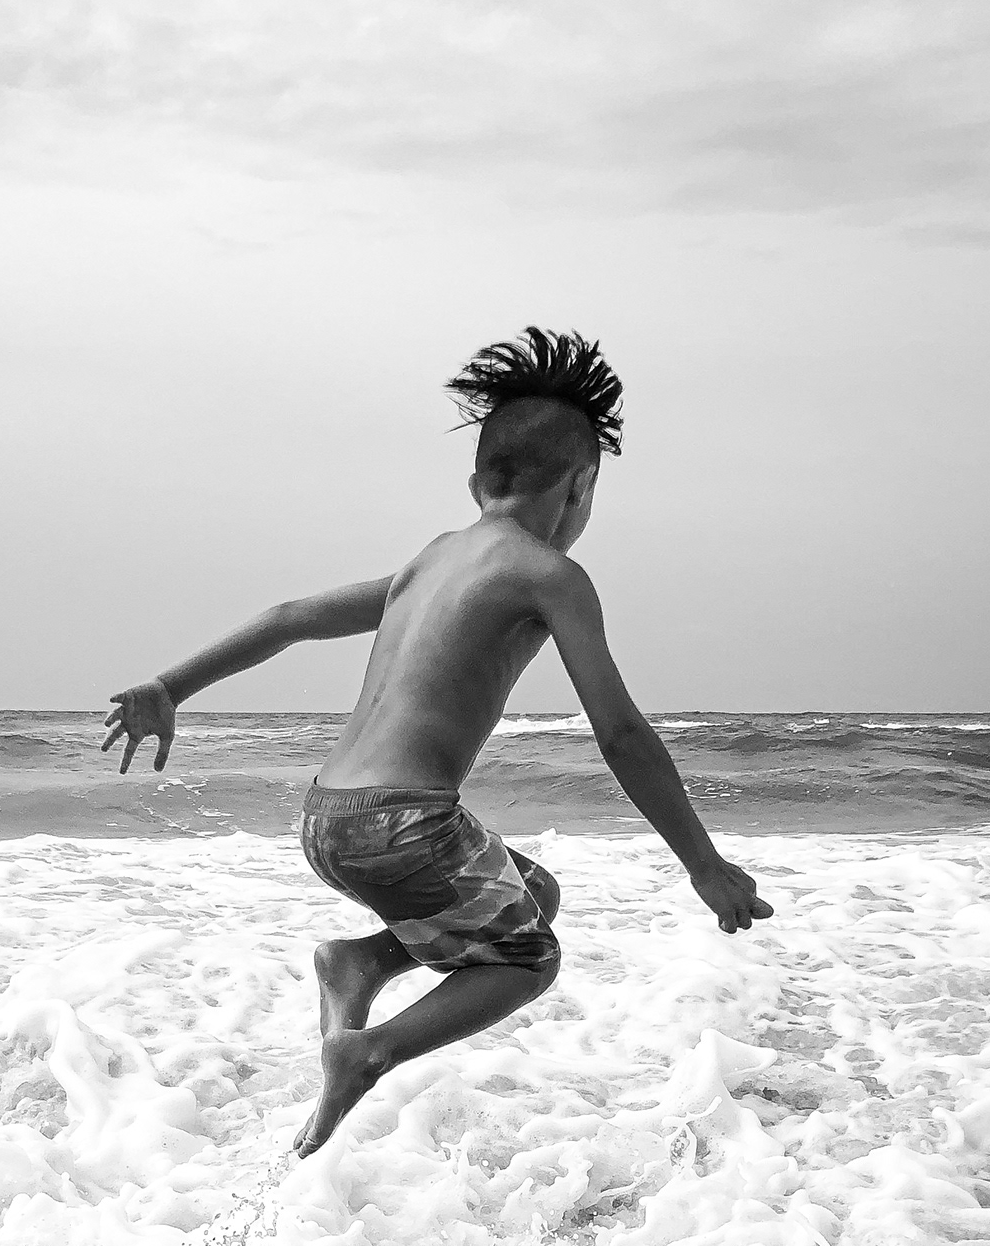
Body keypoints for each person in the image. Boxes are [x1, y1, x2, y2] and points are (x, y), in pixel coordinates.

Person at [104, 326, 772, 1154]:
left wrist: (170, 687)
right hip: (405, 825)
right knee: (529, 959)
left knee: (533, 894)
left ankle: (361, 965)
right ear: (581, 488)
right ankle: (366, 1053)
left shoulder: (429, 561)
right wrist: (703, 864)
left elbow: (289, 620)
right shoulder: (549, 575)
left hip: (326, 817)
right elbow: (623, 733)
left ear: (479, 480)